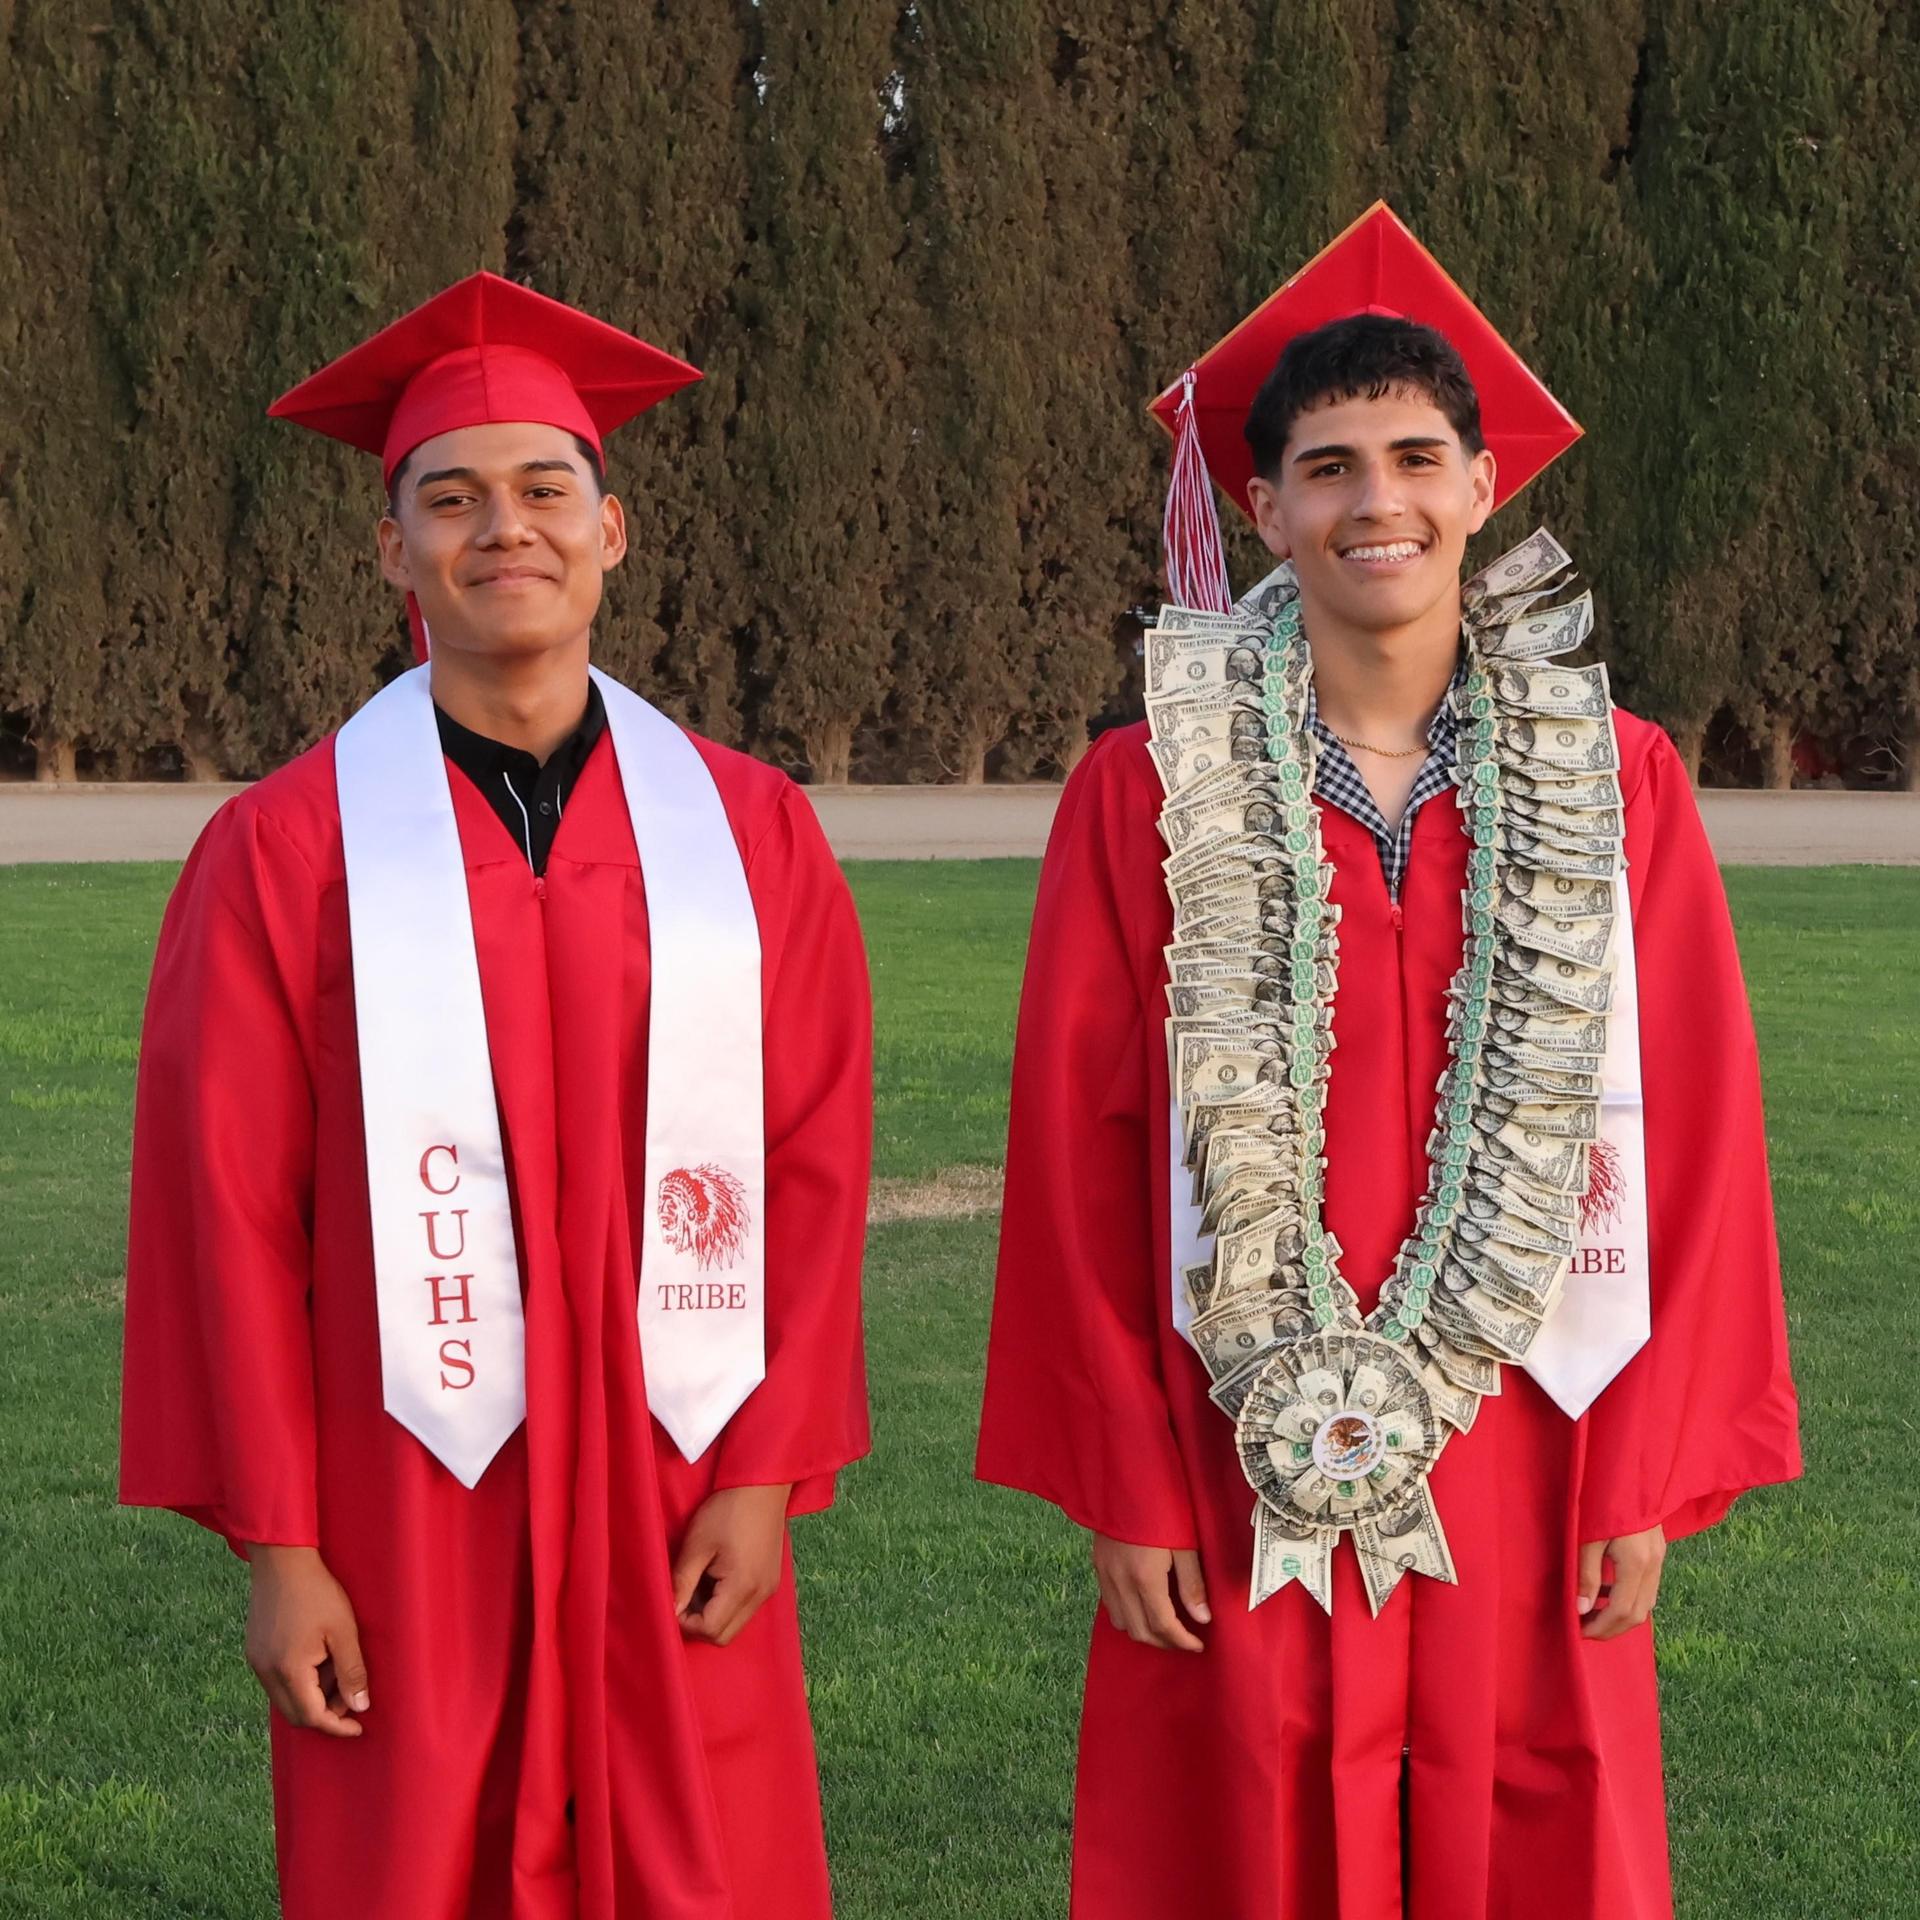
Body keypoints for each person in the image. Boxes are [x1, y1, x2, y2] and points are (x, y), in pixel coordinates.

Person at [977, 204, 1799, 1918]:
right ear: (1263, 509)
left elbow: (1701, 1134)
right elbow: (1074, 1154)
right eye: (1330, 467)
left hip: (1534, 1423)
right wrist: (1126, 1477)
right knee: (1249, 1809)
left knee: (1536, 1818)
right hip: (1236, 1440)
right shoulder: (1143, 794)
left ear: (1485, 486)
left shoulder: (1618, 782)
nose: (1378, 503)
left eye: (1418, 458)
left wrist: (1640, 1466)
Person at [119, 272, 871, 1920]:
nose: (501, 530)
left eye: (544, 490)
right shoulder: (283, 852)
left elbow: (811, 1162)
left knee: (705, 1858)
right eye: (448, 499)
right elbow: (226, 1211)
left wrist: (762, 1472)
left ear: (615, 529)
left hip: (679, 1472)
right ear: (393, 550)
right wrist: (279, 1546)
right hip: (405, 1492)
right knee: (416, 1856)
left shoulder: (749, 838)